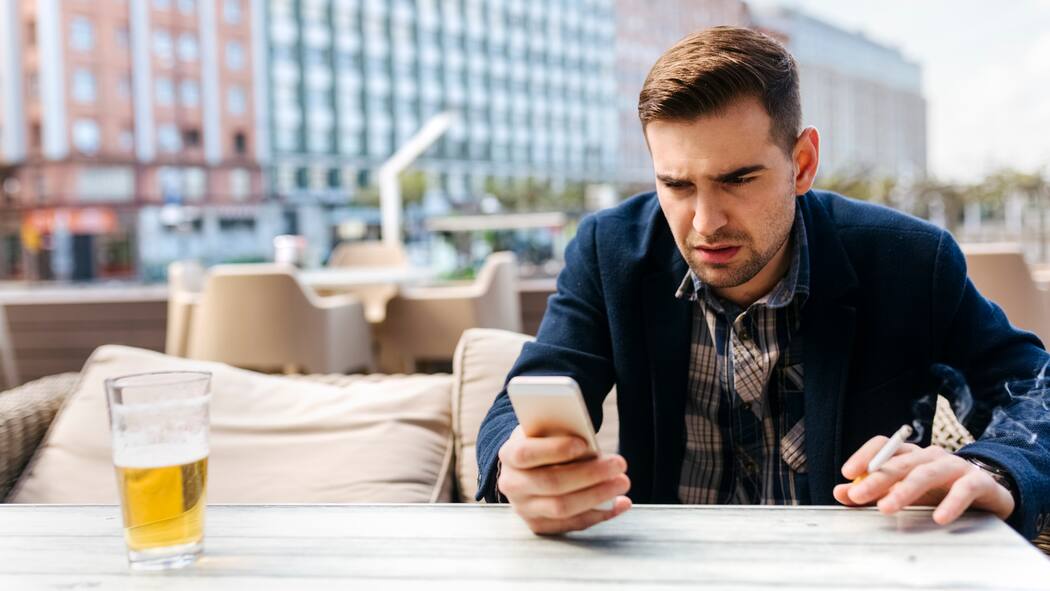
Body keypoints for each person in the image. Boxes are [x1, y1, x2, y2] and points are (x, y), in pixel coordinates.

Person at [475, 26, 1050, 540]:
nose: (705, 222)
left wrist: (990, 467)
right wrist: (516, 463)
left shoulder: (908, 259)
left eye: (738, 179)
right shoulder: (609, 250)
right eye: (676, 184)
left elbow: (1030, 385)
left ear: (802, 164)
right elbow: (523, 397)